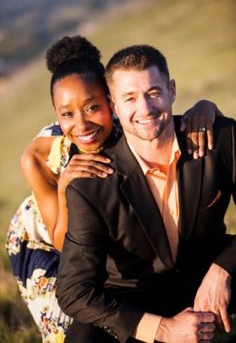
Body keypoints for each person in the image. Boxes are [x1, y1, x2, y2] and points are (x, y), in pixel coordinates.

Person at [6, 35, 223, 342]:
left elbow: (158, 113)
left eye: (94, 107)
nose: (82, 125)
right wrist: (67, 182)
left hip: (93, 225)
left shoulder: (126, 118)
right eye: (67, 114)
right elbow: (61, 243)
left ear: (111, 100)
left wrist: (206, 106)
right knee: (67, 324)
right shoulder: (39, 156)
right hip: (45, 231)